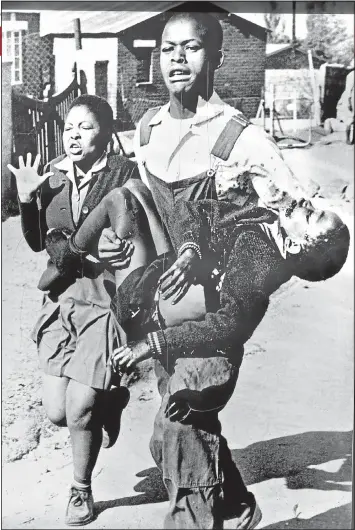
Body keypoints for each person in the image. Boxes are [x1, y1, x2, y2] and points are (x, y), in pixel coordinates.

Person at [53, 180, 349, 528]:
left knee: (182, 435)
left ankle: (195, 520)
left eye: (311, 214)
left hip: (208, 360)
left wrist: (153, 344)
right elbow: (194, 210)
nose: (304, 202)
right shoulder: (263, 217)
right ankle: (235, 506)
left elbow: (226, 327)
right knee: (165, 442)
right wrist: (191, 248)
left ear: (300, 244)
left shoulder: (263, 262)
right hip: (183, 335)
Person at [7, 95, 141, 526]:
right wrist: (28, 199)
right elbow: (36, 241)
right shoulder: (54, 178)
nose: (73, 134)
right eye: (69, 127)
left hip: (104, 301)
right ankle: (112, 400)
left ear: (105, 133)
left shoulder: (125, 175)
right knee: (58, 412)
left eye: (85, 127)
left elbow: (139, 237)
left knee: (81, 409)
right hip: (63, 299)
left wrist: (121, 249)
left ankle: (81, 490)